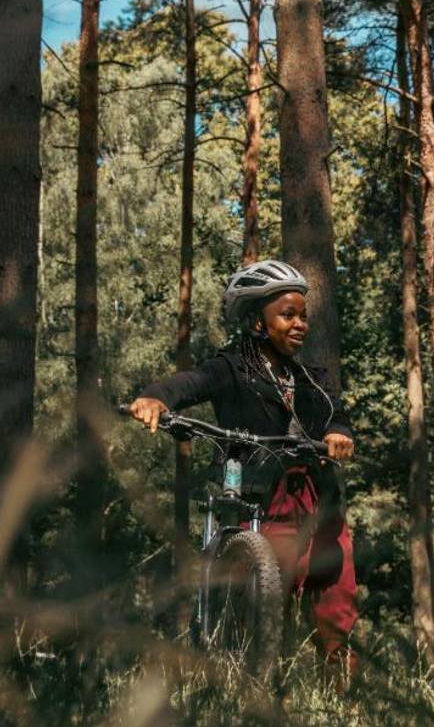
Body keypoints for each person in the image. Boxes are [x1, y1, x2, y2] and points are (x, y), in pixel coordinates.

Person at [129, 259, 358, 673]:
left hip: (318, 502)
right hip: (264, 501)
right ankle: (256, 688)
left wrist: (338, 434)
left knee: (335, 611)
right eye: (287, 315)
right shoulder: (232, 368)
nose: (299, 324)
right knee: (260, 607)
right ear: (257, 322)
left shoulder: (312, 379)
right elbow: (189, 383)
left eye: (303, 315)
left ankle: (343, 697)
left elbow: (335, 416)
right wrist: (155, 398)